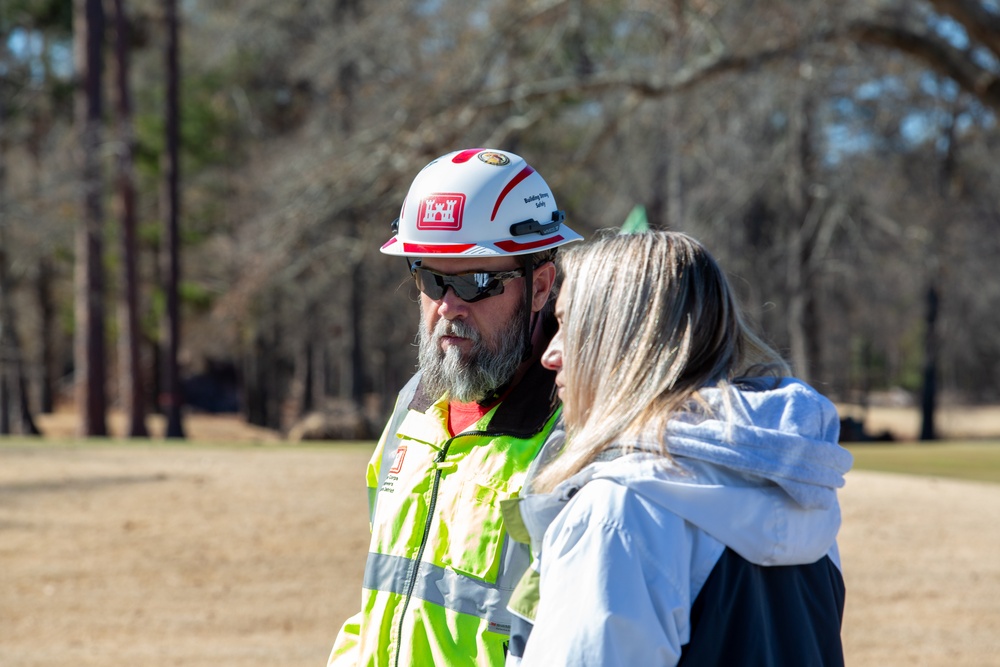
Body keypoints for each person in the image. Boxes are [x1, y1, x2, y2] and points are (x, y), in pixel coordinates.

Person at [503, 230, 854, 666]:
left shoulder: (621, 511)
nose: (550, 355)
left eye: (569, 325)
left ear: (624, 341)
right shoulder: (800, 493)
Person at [328, 148, 583, 667]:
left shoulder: (575, 433)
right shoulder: (412, 408)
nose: (448, 306)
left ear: (539, 285)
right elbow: (380, 606)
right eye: (431, 280)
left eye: (476, 282)